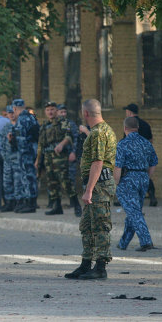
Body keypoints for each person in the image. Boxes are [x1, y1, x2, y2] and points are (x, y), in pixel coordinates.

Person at [65, 99, 116, 280]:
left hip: (98, 186)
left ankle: (101, 266)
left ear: (85, 113)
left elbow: (98, 162)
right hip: (97, 184)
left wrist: (89, 190)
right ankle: (86, 263)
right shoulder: (101, 131)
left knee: (100, 226)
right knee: (87, 226)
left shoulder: (98, 133)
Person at [114, 117, 158, 251]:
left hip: (127, 179)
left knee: (134, 212)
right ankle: (123, 243)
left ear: (125, 128)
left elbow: (118, 167)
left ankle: (146, 241)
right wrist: (145, 177)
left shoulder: (122, 144)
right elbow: (154, 163)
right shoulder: (146, 143)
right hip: (143, 177)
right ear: (137, 128)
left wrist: (115, 184)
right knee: (134, 211)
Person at [35, 101, 82, 216]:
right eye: (48, 110)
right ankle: (57, 206)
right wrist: (37, 160)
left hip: (60, 157)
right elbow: (40, 144)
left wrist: (61, 144)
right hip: (48, 157)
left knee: (65, 181)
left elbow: (69, 136)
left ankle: (76, 205)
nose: (50, 112)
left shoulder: (63, 122)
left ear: (56, 110)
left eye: (52, 109)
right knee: (52, 183)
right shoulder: (44, 125)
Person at [123, 103, 157, 206]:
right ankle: (152, 196)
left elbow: (126, 141)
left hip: (131, 156)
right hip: (144, 155)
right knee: (145, 175)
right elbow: (150, 140)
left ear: (129, 112)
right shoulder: (145, 124)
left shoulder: (128, 125)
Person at [11, 99, 40, 213]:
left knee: (27, 177)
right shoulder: (32, 117)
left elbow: (21, 138)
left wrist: (21, 152)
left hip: (25, 153)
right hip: (32, 150)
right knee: (30, 176)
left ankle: (30, 203)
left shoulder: (21, 119)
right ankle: (30, 202)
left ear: (14, 108)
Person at [57, 104, 80, 190]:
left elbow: (76, 139)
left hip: (69, 154)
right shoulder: (54, 125)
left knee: (70, 177)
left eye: (64, 112)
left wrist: (73, 152)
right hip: (57, 156)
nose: (63, 114)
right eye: (61, 112)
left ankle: (72, 199)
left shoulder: (71, 124)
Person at [0, 105, 17, 212]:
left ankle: (17, 202)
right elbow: (1, 143)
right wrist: (4, 156)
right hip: (7, 159)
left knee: (18, 181)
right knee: (7, 181)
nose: (11, 115)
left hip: (17, 159)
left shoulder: (19, 126)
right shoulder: (5, 127)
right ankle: (8, 202)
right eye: (9, 113)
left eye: (13, 113)